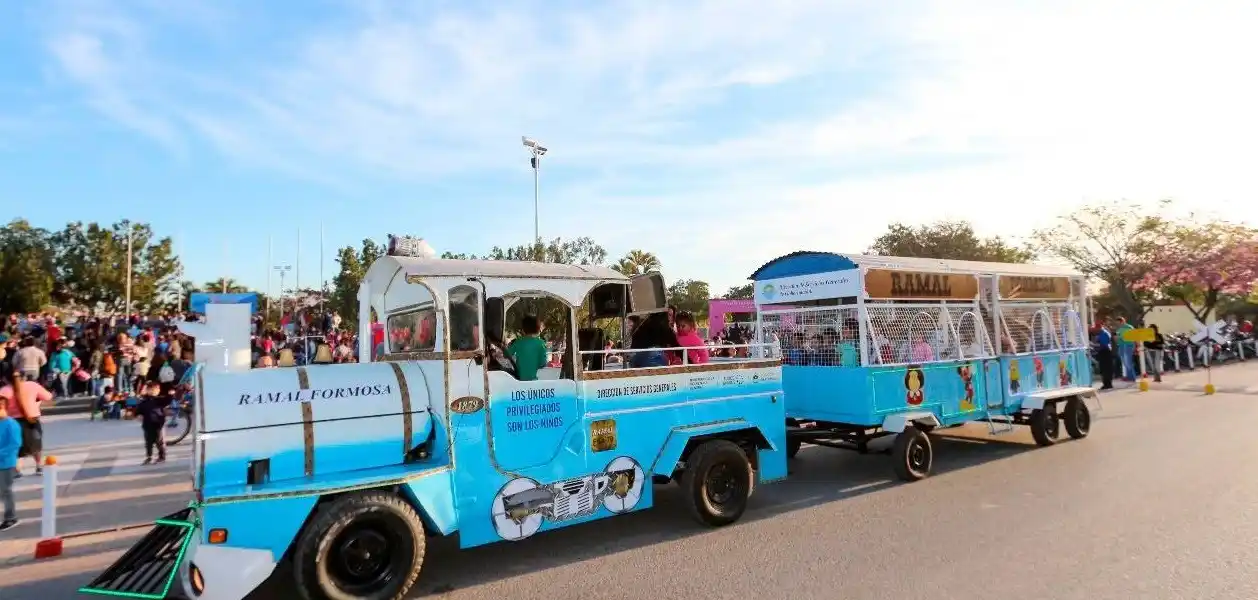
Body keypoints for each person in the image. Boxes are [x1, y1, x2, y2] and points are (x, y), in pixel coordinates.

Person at [0, 370, 50, 476]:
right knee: (36, 443)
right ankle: (39, 466)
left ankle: (17, 470)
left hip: (12, 421)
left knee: (15, 445)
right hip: (31, 418)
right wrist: (35, 402)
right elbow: (48, 397)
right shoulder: (32, 385)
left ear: (5, 379)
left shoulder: (4, 390)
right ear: (24, 377)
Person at [507, 316, 549, 381]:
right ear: (538, 329)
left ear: (523, 329)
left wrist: (509, 346)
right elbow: (543, 363)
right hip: (533, 380)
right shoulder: (541, 343)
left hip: (518, 379)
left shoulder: (518, 341)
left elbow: (507, 354)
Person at [134, 382, 168, 464]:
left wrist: (171, 394)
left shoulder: (160, 400)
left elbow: (168, 401)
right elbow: (138, 410)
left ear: (158, 391)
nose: (153, 391)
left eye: (156, 390)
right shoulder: (144, 401)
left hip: (158, 425)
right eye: (151, 390)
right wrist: (138, 415)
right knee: (148, 442)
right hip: (147, 425)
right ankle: (149, 457)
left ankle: (162, 456)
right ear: (147, 390)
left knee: (159, 441)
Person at [0, 396, 20, 531]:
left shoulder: (11, 424)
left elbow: (14, 444)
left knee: (6, 491)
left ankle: (11, 517)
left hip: (6, 463)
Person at [1094, 322, 1115, 390]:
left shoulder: (1103, 333)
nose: (1096, 330)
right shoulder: (1103, 333)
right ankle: (1106, 384)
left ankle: (1108, 384)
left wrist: (1094, 345)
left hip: (1105, 352)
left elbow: (1104, 345)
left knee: (1106, 369)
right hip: (1105, 352)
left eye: (1097, 328)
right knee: (1105, 369)